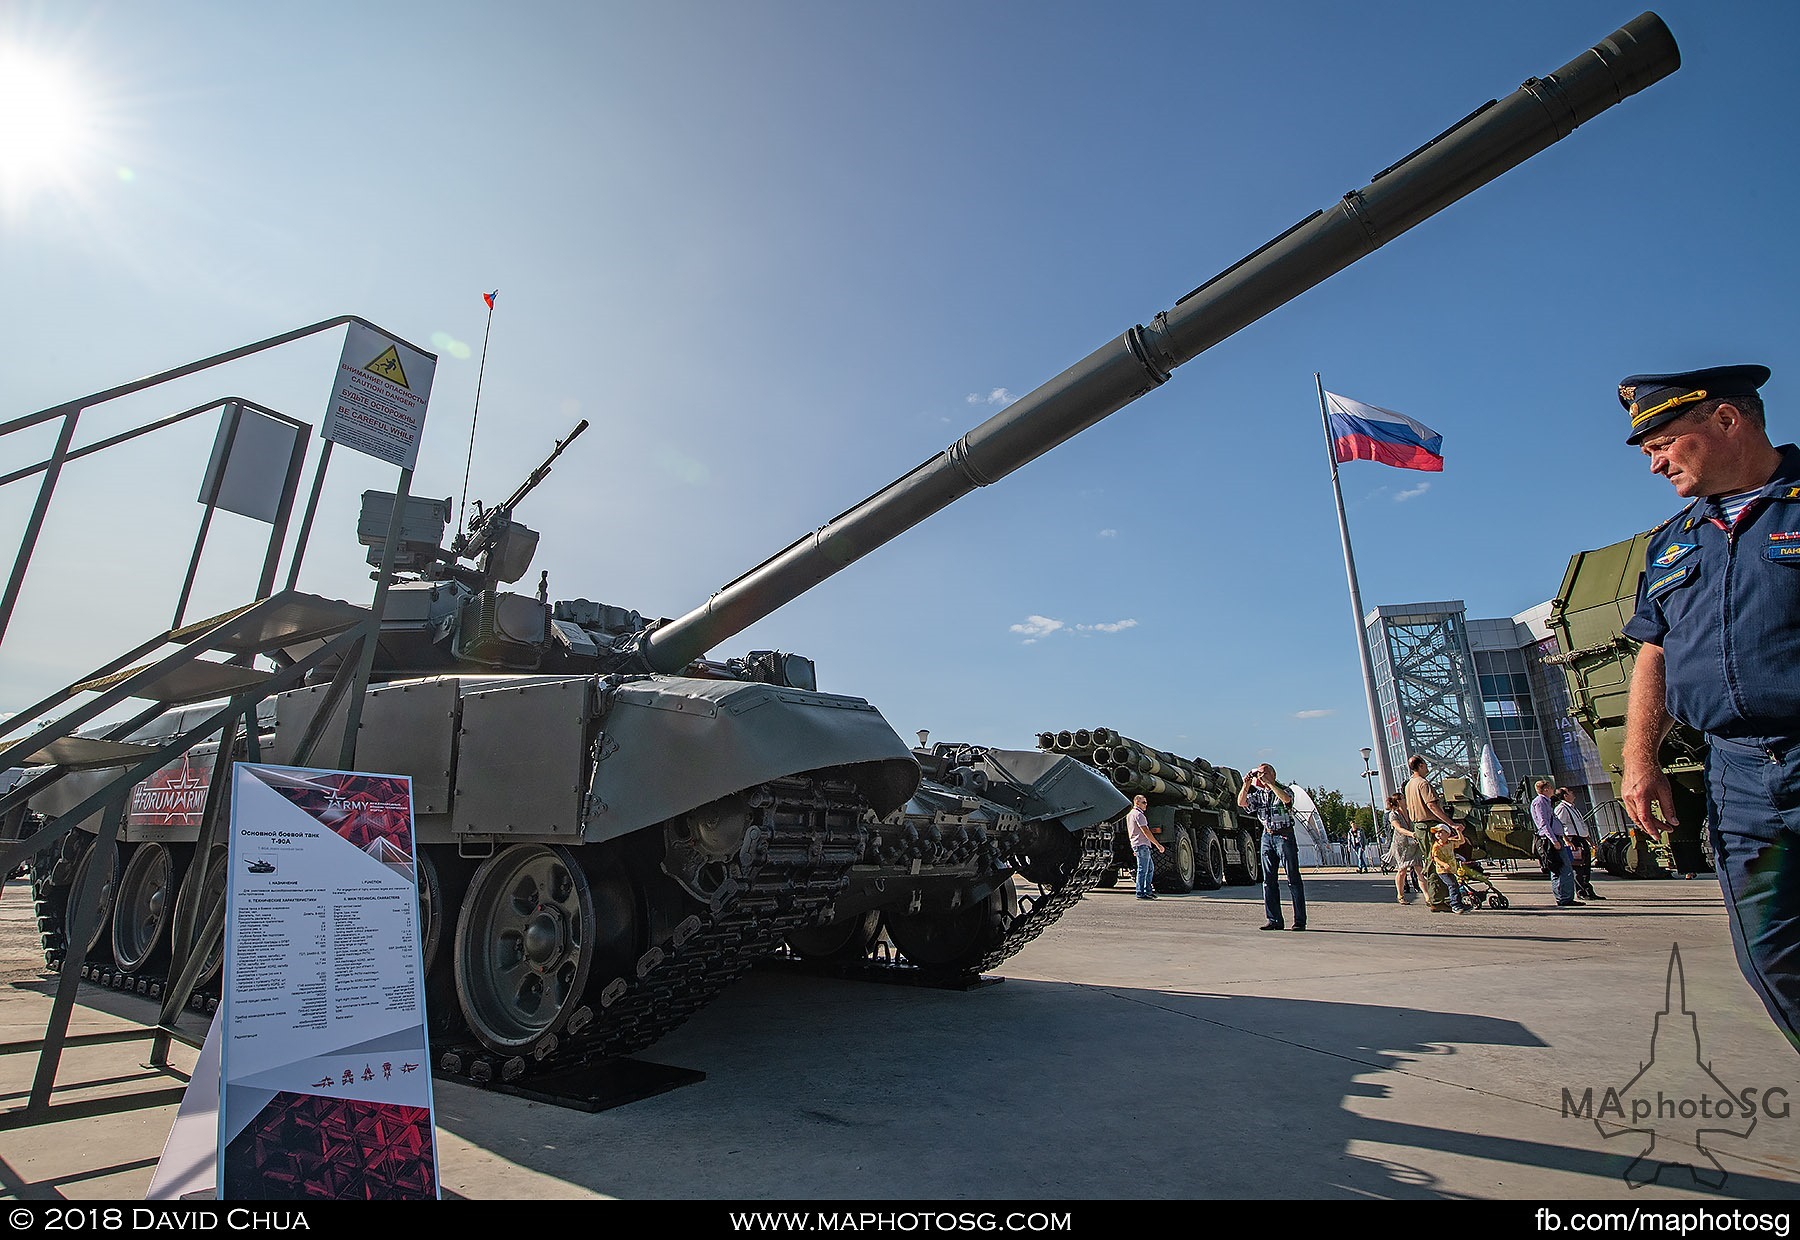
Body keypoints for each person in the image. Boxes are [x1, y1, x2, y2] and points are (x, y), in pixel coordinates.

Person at [1615, 363, 1800, 1054]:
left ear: (1726, 420)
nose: (1655, 463)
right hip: (1739, 777)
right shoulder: (1672, 542)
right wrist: (1640, 760)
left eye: (1662, 442)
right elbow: (1653, 655)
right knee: (1772, 952)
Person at [1237, 762, 1306, 931]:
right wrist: (1246, 785)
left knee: (1293, 879)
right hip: (1267, 836)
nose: (1260, 776)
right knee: (1268, 880)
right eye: (1259, 773)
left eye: (1264, 773)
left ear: (1272, 774)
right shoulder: (1259, 795)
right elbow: (1242, 803)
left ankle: (1299, 920)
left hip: (1284, 835)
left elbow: (1287, 800)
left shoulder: (1284, 789)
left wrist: (1270, 784)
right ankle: (1274, 919)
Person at [1403, 755, 1460, 910]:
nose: (1427, 768)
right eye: (1426, 765)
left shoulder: (1409, 784)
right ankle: (1437, 900)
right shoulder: (1423, 783)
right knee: (1435, 860)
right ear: (1420, 765)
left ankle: (1439, 897)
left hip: (1419, 826)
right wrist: (1451, 824)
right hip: (1429, 826)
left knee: (1430, 859)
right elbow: (1432, 806)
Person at [1529, 777, 1580, 907]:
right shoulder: (1539, 802)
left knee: (1562, 867)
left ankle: (1566, 897)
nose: (1553, 790)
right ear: (1546, 789)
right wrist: (1554, 840)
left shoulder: (1547, 801)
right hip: (1550, 840)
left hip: (1555, 837)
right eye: (1551, 788)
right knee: (1561, 868)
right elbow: (1543, 823)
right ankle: (1564, 898)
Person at [1554, 786, 1603, 900]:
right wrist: (1567, 841)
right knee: (1578, 867)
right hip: (1573, 839)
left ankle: (1588, 890)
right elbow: (1560, 826)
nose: (1573, 793)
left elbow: (1581, 825)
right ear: (1565, 796)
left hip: (1581, 838)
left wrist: (1589, 840)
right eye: (1570, 792)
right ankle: (1581, 892)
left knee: (1586, 865)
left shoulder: (1573, 808)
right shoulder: (1562, 808)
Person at [1386, 790, 1426, 903]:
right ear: (1398, 801)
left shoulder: (1411, 812)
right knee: (1402, 870)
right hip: (1401, 846)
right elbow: (1398, 828)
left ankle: (1428, 897)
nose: (1405, 800)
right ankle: (1400, 895)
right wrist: (1412, 834)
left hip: (1413, 845)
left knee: (1419, 869)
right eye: (1403, 798)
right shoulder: (1393, 814)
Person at [1125, 793, 1163, 900]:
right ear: (1137, 802)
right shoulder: (1139, 815)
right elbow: (1145, 831)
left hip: (1138, 844)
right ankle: (1141, 892)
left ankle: (1147, 891)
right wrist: (1157, 844)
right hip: (1142, 845)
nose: (1146, 805)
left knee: (1149, 868)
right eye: (1144, 802)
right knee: (1143, 869)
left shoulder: (1130, 814)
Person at [1429, 823, 1474, 914]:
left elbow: (1461, 841)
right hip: (1442, 870)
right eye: (1436, 832)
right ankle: (1455, 905)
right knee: (1453, 885)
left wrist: (1459, 831)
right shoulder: (1436, 845)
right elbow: (1435, 857)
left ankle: (1455, 902)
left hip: (1451, 869)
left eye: (1441, 832)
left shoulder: (1450, 842)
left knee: (1455, 885)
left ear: (1447, 834)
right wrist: (1443, 864)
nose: (1438, 834)